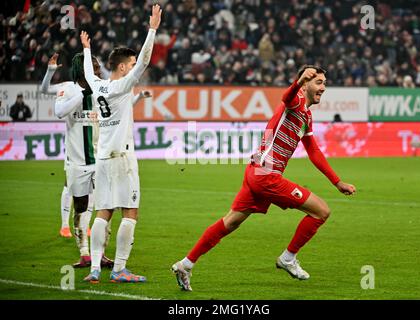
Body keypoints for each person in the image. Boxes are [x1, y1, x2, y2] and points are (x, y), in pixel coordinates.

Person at [171, 65, 357, 291]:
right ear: (305, 83)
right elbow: (285, 97)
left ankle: (185, 264)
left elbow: (314, 151)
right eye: (318, 83)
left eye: (324, 83)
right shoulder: (296, 101)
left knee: (230, 222)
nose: (323, 88)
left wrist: (337, 182)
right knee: (321, 211)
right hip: (266, 175)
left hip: (256, 171)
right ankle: (288, 258)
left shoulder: (306, 115)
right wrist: (298, 82)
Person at [81, 4, 162, 283]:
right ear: (124, 67)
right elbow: (145, 61)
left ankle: (94, 269)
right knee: (130, 211)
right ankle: (119, 270)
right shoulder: (121, 85)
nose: (133, 67)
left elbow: (89, 73)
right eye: (130, 65)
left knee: (103, 211)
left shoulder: (98, 85)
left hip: (102, 159)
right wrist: (152, 29)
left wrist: (86, 50)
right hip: (123, 158)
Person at [40, 52, 113, 268]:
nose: (98, 71)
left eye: (98, 67)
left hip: (100, 160)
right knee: (81, 207)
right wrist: (52, 72)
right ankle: (84, 254)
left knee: (105, 207)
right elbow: (59, 111)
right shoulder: (69, 88)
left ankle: (100, 253)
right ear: (82, 69)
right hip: (77, 162)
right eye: (94, 67)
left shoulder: (101, 88)